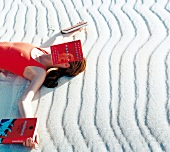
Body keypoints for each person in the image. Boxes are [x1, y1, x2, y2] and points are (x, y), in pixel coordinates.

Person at [0, 23, 87, 148]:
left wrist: (30, 129)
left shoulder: (39, 72)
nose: (66, 48)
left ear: (66, 65)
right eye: (71, 47)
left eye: (70, 52)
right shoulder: (45, 49)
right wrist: (76, 28)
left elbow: (24, 101)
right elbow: (61, 35)